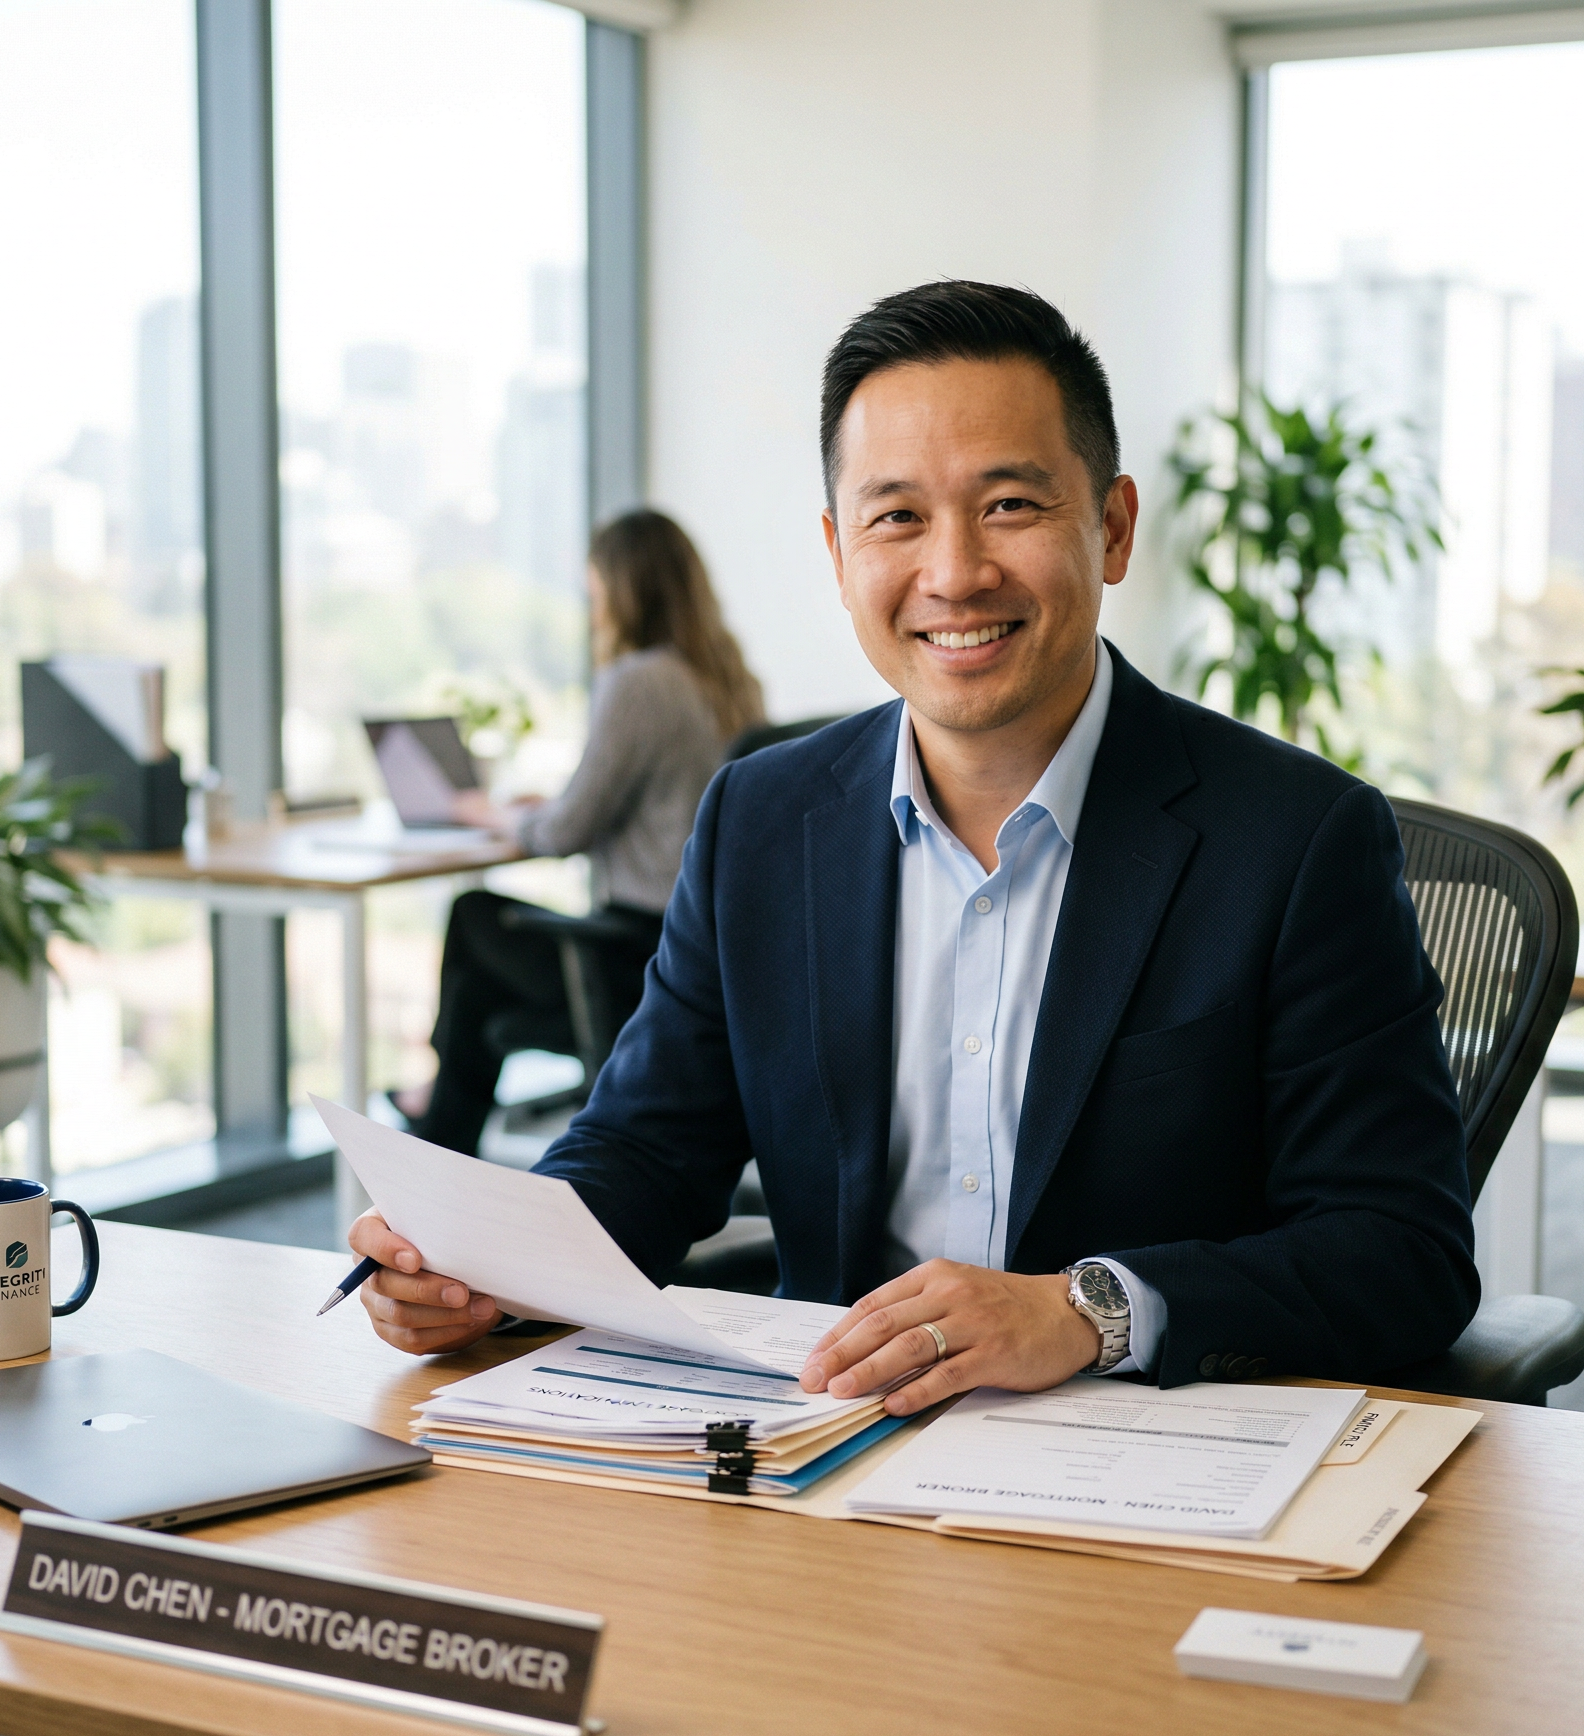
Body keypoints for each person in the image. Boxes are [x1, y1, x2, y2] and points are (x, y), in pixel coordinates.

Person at [352, 281, 1476, 1417]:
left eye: (1009, 507)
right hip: (823, 1446)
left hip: (1143, 1461)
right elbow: (644, 1152)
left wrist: (1087, 1310)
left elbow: (1403, 1250)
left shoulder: (1293, 839)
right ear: (840, 552)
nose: (954, 574)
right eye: (897, 518)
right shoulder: (761, 819)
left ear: (1115, 526)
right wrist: (489, 1268)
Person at [390, 510, 765, 1158]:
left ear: (621, 592)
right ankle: (439, 1136)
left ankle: (436, 1138)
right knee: (478, 996)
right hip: (716, 954)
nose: (592, 611)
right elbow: (639, 800)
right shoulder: (727, 681)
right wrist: (546, 803)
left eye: (594, 593)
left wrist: (490, 811)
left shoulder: (640, 679)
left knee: (475, 915)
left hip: (638, 957)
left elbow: (566, 831)